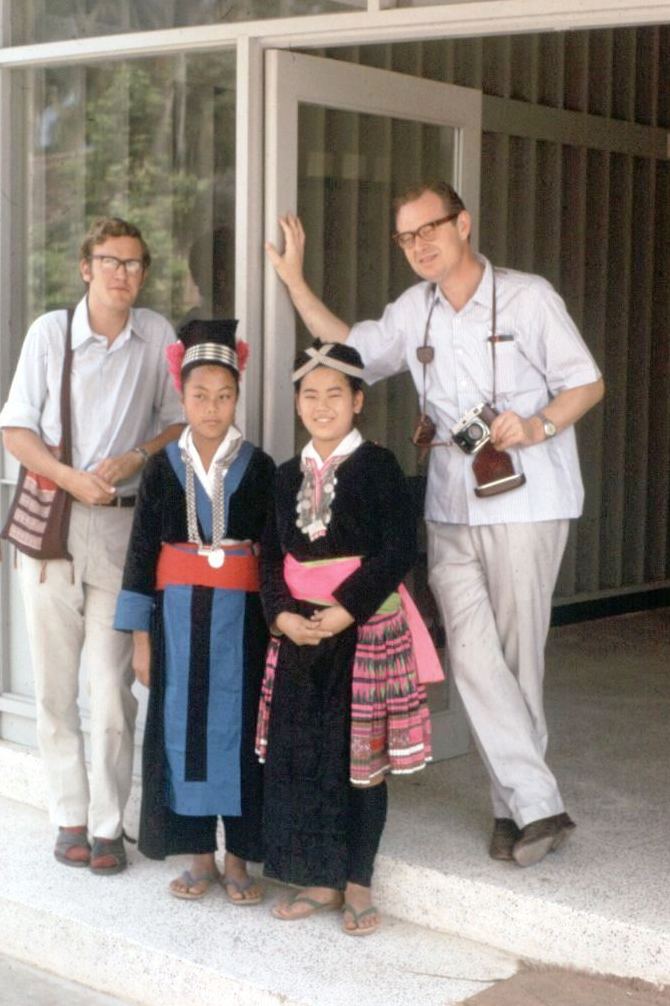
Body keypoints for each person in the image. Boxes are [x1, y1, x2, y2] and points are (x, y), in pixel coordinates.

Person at [265, 182, 605, 868]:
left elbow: (586, 382)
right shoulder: (412, 312)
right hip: (450, 501)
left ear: (464, 224)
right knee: (474, 656)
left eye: (430, 229)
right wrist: (295, 282)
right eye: (407, 237)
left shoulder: (527, 296)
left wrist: (535, 425)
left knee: (516, 658)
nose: (420, 245)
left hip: (528, 500)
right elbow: (348, 350)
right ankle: (535, 803)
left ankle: (518, 809)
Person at [0, 216, 184, 873]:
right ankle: (68, 818)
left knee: (110, 691)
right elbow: (15, 430)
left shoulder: (156, 335)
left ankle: (109, 824)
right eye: (110, 261)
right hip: (52, 523)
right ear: (86, 268)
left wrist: (134, 456)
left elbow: (178, 421)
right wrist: (70, 476)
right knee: (54, 691)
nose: (123, 274)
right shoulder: (51, 334)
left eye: (134, 264)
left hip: (121, 529)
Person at [256, 340, 441, 935]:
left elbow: (397, 550)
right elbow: (269, 557)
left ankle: (359, 881)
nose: (321, 405)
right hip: (299, 636)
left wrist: (345, 610)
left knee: (364, 762)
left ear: (358, 400)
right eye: (310, 395)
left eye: (335, 393)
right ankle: (320, 878)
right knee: (307, 756)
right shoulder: (285, 477)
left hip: (361, 629)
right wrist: (280, 615)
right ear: (297, 404)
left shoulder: (379, 466)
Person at [115, 320, 274, 904]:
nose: (212, 408)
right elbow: (140, 555)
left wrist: (280, 622)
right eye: (200, 396)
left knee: (240, 740)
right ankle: (198, 858)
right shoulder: (162, 468)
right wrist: (140, 639)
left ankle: (238, 861)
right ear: (181, 397)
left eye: (224, 395)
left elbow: (273, 554)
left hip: (245, 625)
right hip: (174, 621)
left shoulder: (259, 467)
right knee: (181, 734)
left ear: (238, 397)